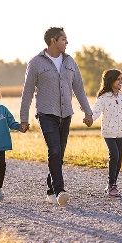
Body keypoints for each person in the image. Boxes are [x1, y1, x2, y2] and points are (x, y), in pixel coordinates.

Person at [19, 26, 93, 207]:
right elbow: (27, 91)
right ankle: (60, 190)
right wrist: (24, 118)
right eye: (64, 39)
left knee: (59, 155)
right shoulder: (36, 63)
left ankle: (51, 190)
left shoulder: (70, 62)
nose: (67, 42)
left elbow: (79, 89)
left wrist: (88, 111)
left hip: (66, 113)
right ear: (53, 41)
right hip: (46, 113)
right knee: (54, 150)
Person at [91, 69, 122, 198]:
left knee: (119, 159)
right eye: (118, 79)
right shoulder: (103, 98)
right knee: (114, 155)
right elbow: (96, 111)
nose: (121, 81)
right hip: (109, 132)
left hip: (121, 133)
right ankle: (111, 185)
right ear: (110, 81)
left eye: (121, 79)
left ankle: (113, 183)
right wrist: (89, 119)